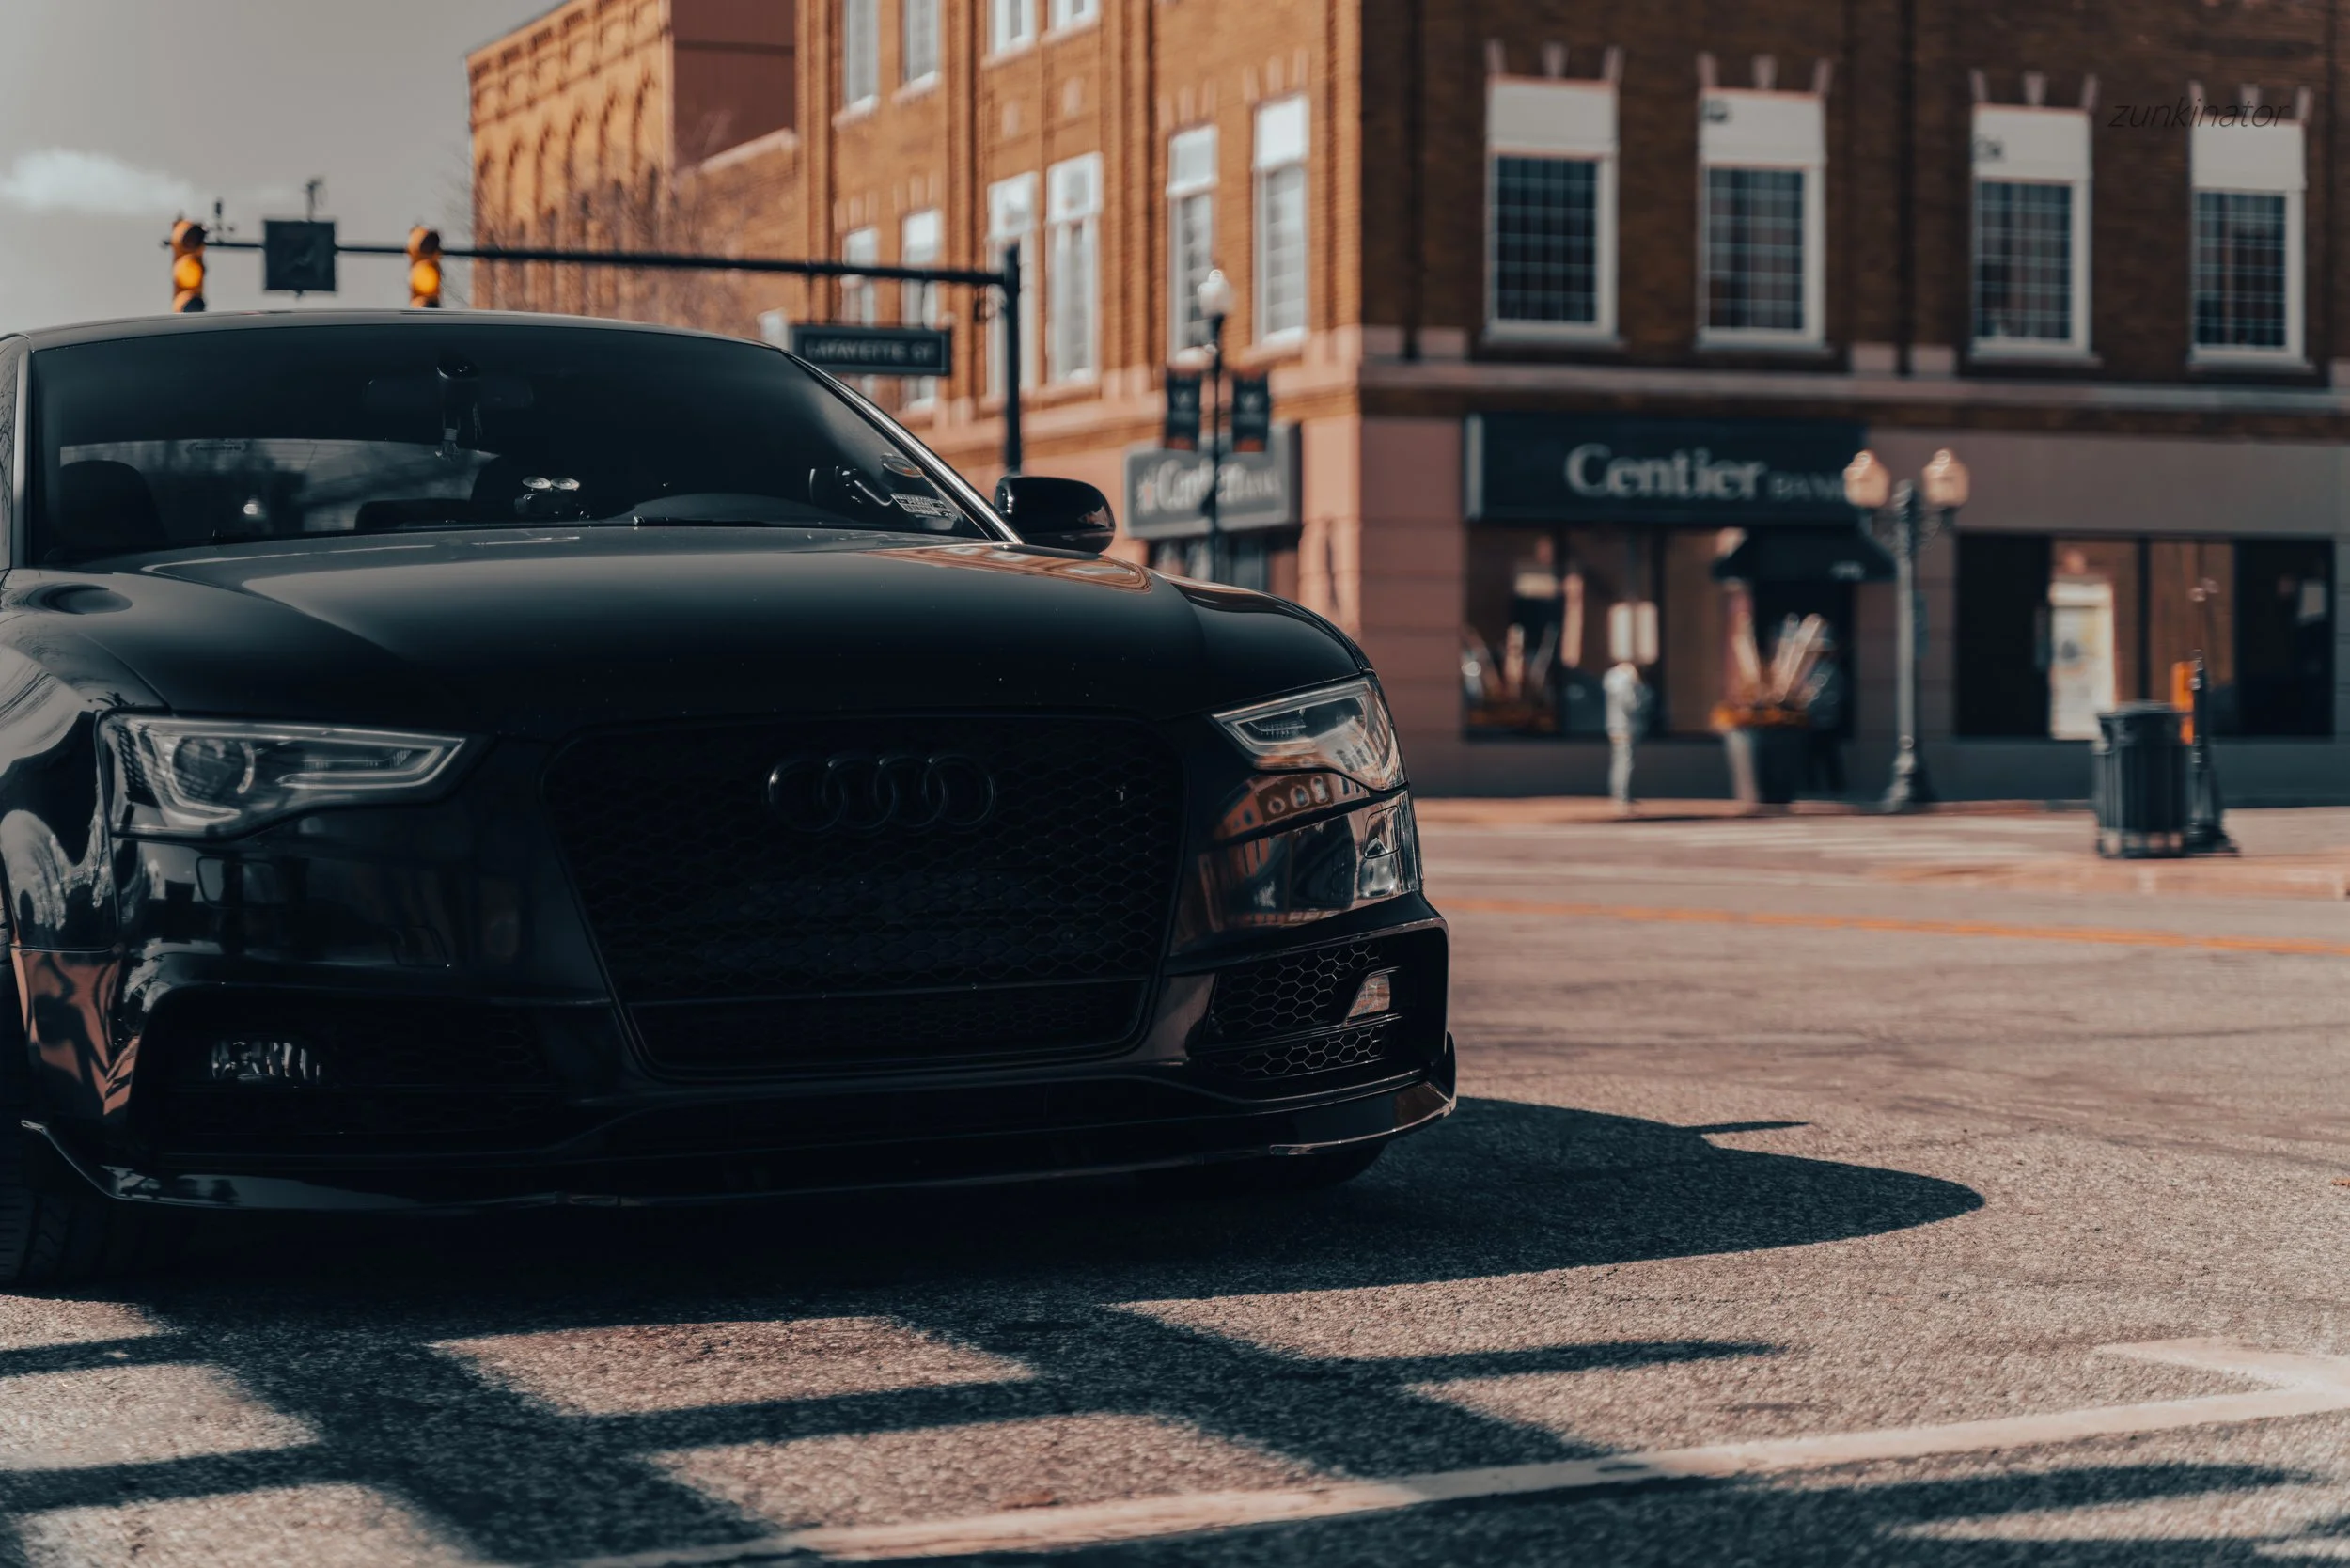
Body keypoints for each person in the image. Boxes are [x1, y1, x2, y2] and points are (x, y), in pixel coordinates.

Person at [1603, 658, 1653, 813]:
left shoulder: (1612, 681)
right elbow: (1633, 704)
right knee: (1624, 762)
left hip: (1616, 725)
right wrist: (1638, 685)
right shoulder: (1625, 682)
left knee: (1620, 761)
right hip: (1626, 727)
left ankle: (1620, 795)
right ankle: (1622, 796)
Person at [1803, 635, 1847, 796]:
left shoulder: (1828, 671)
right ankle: (1814, 787)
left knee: (1829, 757)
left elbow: (1826, 696)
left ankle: (1835, 788)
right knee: (1813, 758)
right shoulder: (1813, 670)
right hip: (1813, 721)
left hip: (1824, 721)